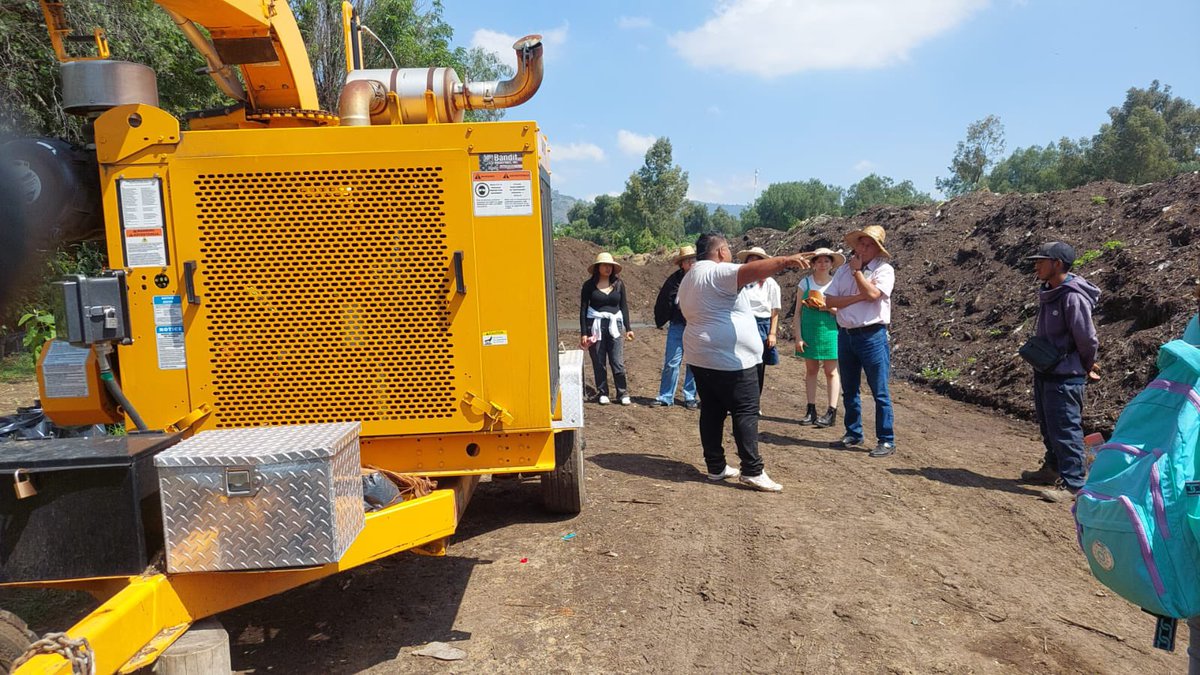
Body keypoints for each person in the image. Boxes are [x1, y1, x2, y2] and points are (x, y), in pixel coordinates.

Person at [676, 232, 810, 492]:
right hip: (729, 358)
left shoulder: (689, 276)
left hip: (700, 354)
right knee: (745, 410)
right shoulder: (717, 271)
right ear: (721, 252)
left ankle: (716, 466)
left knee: (712, 411)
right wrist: (785, 261)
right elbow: (750, 271)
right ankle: (752, 469)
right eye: (728, 249)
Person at [1018, 241, 1101, 503]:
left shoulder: (1072, 297)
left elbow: (1087, 339)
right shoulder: (1051, 291)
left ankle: (1075, 484)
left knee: (1065, 429)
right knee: (1049, 425)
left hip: (1065, 375)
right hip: (1047, 370)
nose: (1036, 265)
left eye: (1041, 260)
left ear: (1057, 263)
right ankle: (1052, 468)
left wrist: (1087, 365)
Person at [824, 225, 896, 458]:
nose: (863, 248)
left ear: (877, 249)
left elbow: (874, 295)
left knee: (880, 390)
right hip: (846, 334)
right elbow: (829, 301)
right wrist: (858, 297)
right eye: (861, 243)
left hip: (872, 335)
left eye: (869, 245)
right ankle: (853, 432)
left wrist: (857, 274)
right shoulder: (843, 271)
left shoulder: (884, 270)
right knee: (850, 388)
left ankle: (886, 439)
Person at [794, 247, 844, 428]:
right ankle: (811, 409)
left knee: (831, 371)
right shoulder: (804, 284)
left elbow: (843, 312)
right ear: (813, 264)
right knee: (811, 370)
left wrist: (827, 307)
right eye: (819, 261)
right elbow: (797, 313)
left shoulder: (836, 284)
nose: (823, 264)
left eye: (826, 261)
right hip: (810, 331)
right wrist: (798, 337)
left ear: (831, 264)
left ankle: (832, 411)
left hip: (831, 332)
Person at [579, 252, 634, 405]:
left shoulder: (619, 284)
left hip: (614, 325)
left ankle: (622, 393)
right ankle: (603, 392)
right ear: (598, 267)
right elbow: (583, 309)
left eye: (610, 266)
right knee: (598, 360)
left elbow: (623, 306)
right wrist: (584, 333)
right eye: (604, 265)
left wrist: (628, 328)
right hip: (595, 325)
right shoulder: (588, 286)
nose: (608, 268)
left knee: (617, 361)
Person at [652, 245, 699, 409]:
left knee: (694, 363)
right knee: (672, 362)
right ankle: (665, 396)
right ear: (682, 264)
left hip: (695, 326)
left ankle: (690, 396)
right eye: (688, 260)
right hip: (678, 325)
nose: (692, 262)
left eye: (694, 259)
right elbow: (665, 299)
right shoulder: (674, 280)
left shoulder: (703, 278)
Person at [735, 247, 782, 400]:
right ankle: (736, 399)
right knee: (738, 362)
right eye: (751, 259)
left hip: (762, 324)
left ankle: (754, 401)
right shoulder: (740, 282)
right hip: (742, 322)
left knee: (758, 366)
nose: (754, 262)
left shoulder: (771, 284)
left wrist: (772, 333)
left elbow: (775, 311)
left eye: (758, 259)